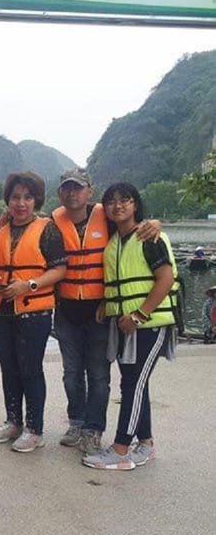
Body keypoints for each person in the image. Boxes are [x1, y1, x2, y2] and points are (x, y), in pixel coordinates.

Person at [52, 168, 160, 455]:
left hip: (100, 311)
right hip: (66, 310)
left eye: (78, 187)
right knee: (71, 373)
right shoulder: (53, 221)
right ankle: (76, 421)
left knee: (99, 374)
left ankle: (93, 429)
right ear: (59, 193)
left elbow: (135, 226)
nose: (72, 193)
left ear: (90, 190)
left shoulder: (108, 216)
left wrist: (155, 223)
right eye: (66, 188)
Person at [83, 183, 178, 470]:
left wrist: (139, 315)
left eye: (125, 200)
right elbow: (120, 282)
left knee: (133, 384)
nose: (118, 206)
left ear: (135, 204)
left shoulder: (149, 237)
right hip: (124, 324)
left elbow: (166, 278)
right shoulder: (116, 241)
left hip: (150, 324)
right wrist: (107, 304)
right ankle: (146, 444)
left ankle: (121, 449)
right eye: (111, 202)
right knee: (135, 383)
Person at [0, 172, 67, 452]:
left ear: (36, 200)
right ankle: (13, 421)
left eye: (28, 197)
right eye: (16, 197)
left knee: (30, 369)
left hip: (35, 311)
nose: (21, 203)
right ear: (8, 199)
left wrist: (28, 284)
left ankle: (35, 428)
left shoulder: (48, 229)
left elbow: (59, 269)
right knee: (9, 368)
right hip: (0, 309)